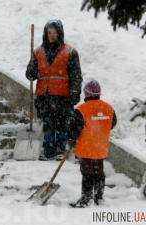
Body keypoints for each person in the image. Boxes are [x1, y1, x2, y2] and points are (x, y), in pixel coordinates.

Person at [26, 19, 82, 160]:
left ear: (60, 33)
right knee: (48, 123)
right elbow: (29, 74)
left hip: (63, 96)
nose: (51, 35)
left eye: (54, 32)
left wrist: (75, 92)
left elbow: (76, 75)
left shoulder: (70, 52)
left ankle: (60, 149)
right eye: (49, 32)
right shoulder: (38, 52)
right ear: (46, 33)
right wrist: (32, 69)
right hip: (44, 95)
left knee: (62, 123)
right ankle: (48, 149)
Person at [68, 79, 117, 207]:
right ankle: (99, 198)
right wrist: (100, 131)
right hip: (100, 147)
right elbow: (112, 123)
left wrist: (72, 140)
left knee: (87, 174)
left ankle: (86, 199)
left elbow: (74, 129)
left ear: (86, 93)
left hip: (86, 148)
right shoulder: (108, 108)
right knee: (99, 172)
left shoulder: (81, 110)